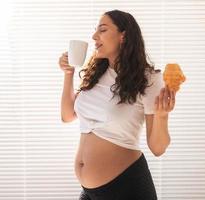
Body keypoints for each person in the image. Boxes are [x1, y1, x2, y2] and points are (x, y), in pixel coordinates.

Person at [59, 9, 176, 200]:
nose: (94, 36)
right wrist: (68, 74)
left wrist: (162, 116)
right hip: (89, 192)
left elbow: (157, 148)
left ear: (124, 35)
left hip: (126, 187)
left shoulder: (148, 79)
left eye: (102, 30)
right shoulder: (96, 74)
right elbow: (67, 116)